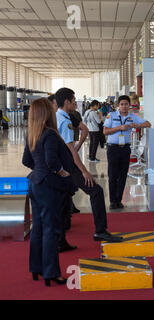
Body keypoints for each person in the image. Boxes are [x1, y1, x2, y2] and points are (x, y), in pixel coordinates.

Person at [55, 88, 122, 242]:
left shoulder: (58, 117)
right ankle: (100, 230)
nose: (75, 104)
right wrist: (85, 171)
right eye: (73, 101)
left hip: (61, 164)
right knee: (96, 191)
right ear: (66, 102)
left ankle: (63, 228)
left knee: (64, 195)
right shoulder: (65, 121)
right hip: (68, 165)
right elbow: (71, 151)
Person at [22, 98, 77, 286]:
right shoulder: (50, 135)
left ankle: (36, 269)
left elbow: (26, 161)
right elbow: (52, 161)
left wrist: (40, 170)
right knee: (51, 229)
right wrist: (63, 173)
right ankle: (51, 272)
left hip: (35, 183)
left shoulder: (31, 134)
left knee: (37, 227)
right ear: (48, 113)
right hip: (49, 186)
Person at [103, 95, 151, 209]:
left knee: (123, 175)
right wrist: (119, 128)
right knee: (112, 175)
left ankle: (119, 200)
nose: (124, 106)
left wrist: (137, 125)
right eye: (122, 104)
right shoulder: (112, 115)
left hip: (125, 148)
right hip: (113, 148)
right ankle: (112, 201)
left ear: (129, 105)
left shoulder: (132, 116)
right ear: (118, 106)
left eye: (126, 104)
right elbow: (105, 131)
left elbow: (148, 124)